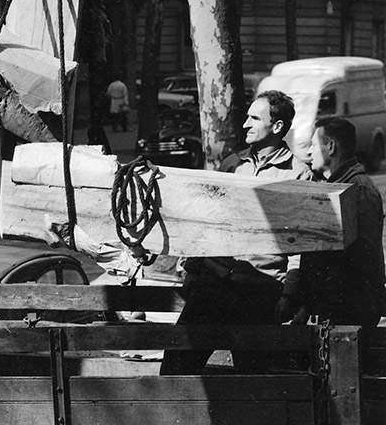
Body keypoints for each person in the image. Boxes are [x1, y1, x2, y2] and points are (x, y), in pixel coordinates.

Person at [161, 90, 313, 374]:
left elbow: (303, 246)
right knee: (175, 367)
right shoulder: (233, 166)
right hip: (213, 285)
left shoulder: (298, 175)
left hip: (260, 293)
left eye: (255, 118)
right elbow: (209, 223)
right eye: (246, 117)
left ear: (277, 127)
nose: (245, 124)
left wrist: (289, 294)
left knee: (254, 381)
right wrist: (193, 269)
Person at [291, 117, 386, 327]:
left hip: (348, 312)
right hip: (336, 308)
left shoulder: (357, 190)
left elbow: (360, 260)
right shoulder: (339, 187)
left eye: (313, 145)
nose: (309, 153)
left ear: (331, 147)